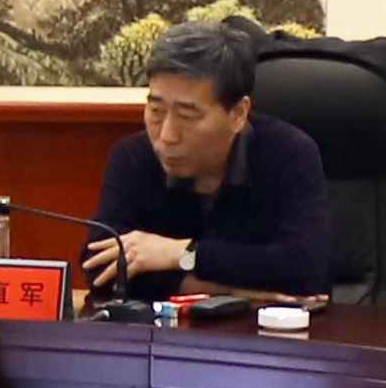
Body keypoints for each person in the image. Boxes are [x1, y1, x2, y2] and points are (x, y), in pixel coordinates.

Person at [82, 22, 331, 298]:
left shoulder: (289, 153)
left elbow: (304, 270)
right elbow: (100, 270)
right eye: (156, 110)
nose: (166, 136)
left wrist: (181, 253)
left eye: (187, 116)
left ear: (238, 114)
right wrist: (232, 290)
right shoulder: (133, 157)